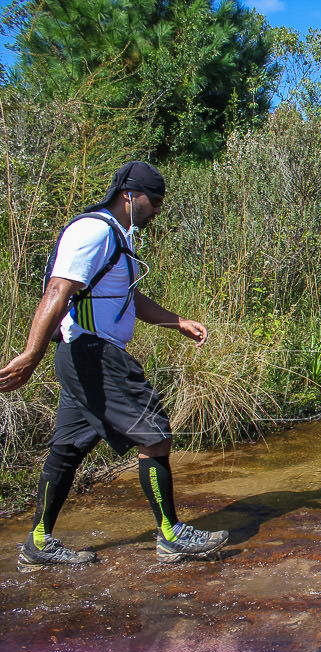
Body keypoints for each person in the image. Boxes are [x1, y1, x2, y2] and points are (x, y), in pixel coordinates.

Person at [0, 161, 229, 571]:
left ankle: (38, 543)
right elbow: (58, 289)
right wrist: (30, 355)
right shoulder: (94, 232)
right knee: (155, 434)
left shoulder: (119, 238)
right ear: (130, 195)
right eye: (154, 201)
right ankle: (172, 536)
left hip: (82, 355)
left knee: (68, 448)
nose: (158, 209)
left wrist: (176, 321)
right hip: (94, 353)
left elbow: (128, 298)